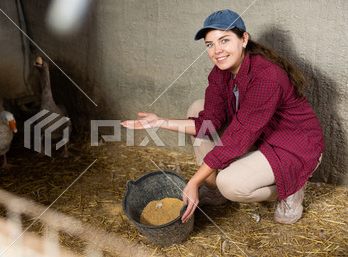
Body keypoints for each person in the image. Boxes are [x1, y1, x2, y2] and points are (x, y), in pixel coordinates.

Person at [121, 9, 324, 225]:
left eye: (224, 40)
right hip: (260, 139)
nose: (217, 50)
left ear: (243, 39)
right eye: (210, 44)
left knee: (230, 184)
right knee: (196, 108)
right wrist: (159, 122)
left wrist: (193, 181)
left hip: (293, 146)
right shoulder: (220, 73)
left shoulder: (267, 77)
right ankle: (213, 190)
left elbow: (239, 137)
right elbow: (208, 124)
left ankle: (292, 187)